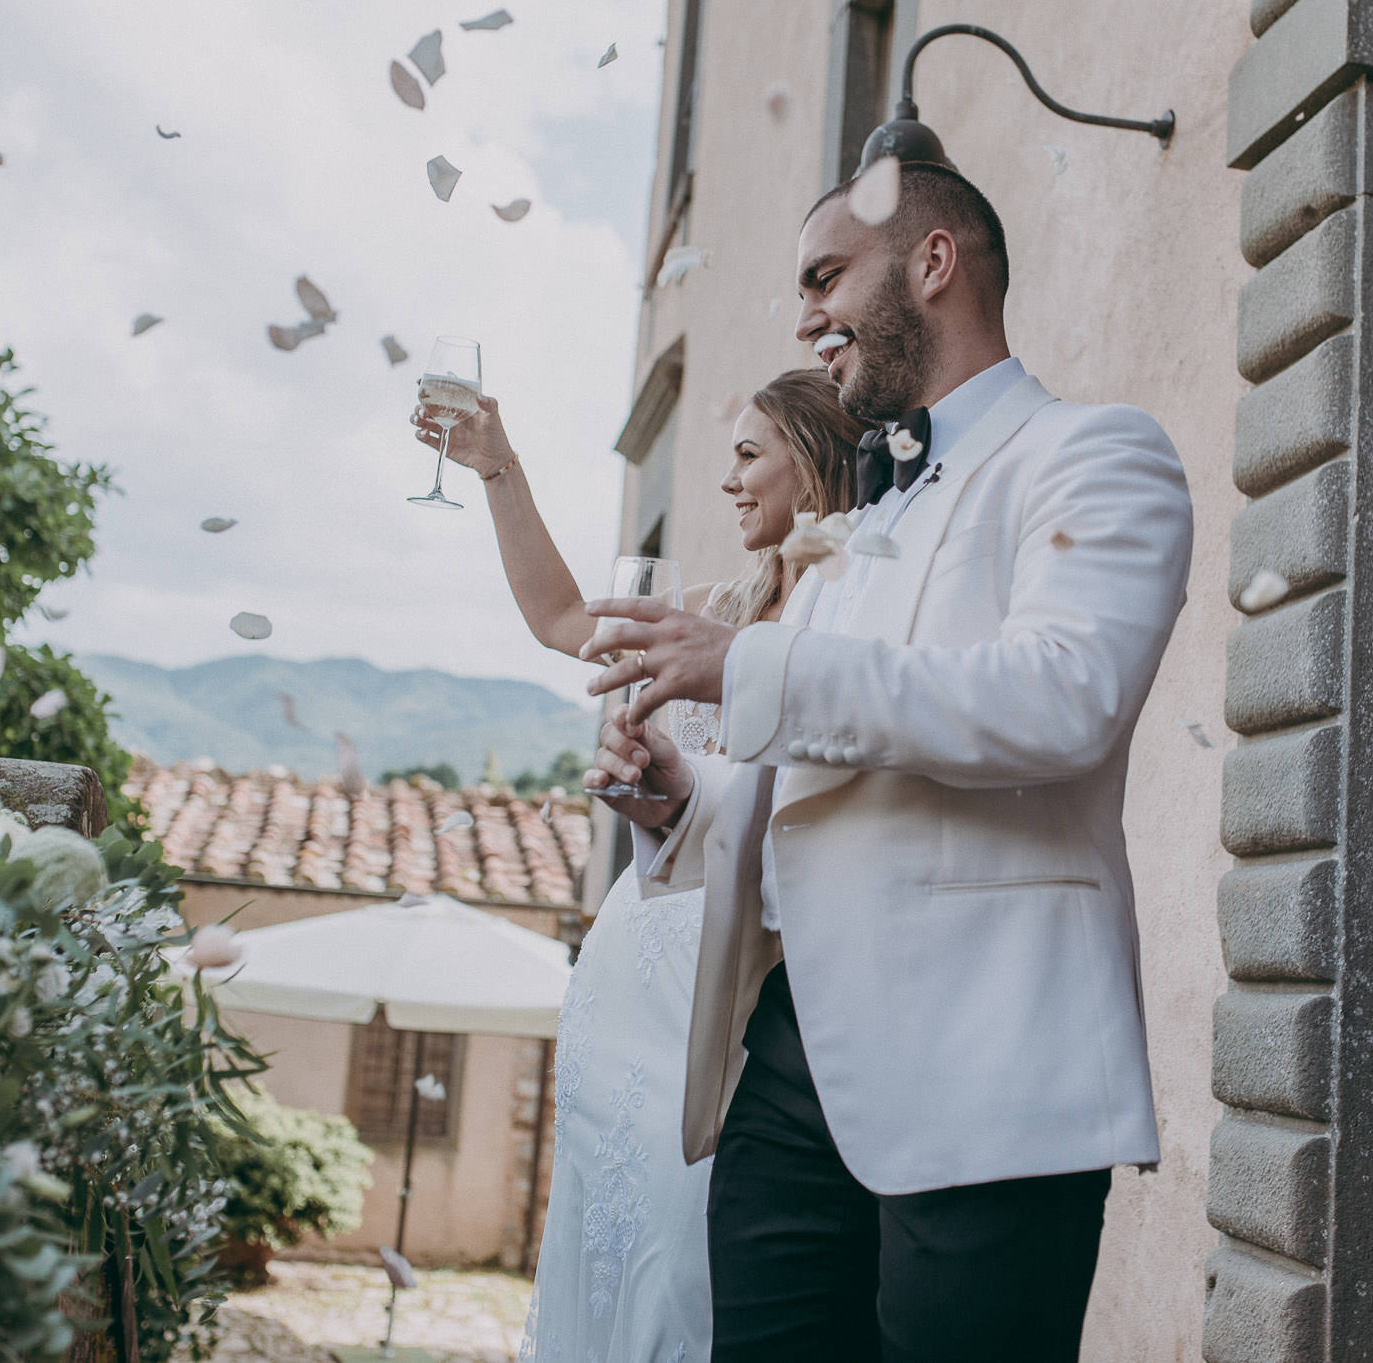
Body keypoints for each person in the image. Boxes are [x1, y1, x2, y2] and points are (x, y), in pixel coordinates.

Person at [582, 162, 1195, 1363]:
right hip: (787, 1066)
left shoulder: (1093, 453)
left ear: (932, 264)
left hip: (988, 1067)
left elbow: (1062, 698)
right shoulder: (859, 530)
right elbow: (814, 789)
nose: (805, 315)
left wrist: (745, 666)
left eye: (825, 277)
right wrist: (681, 802)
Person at [411, 368, 864, 1363]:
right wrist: (499, 470)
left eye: (749, 455)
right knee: (604, 1235)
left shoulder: (858, 618)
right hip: (630, 969)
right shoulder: (713, 605)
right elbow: (566, 621)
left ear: (816, 461)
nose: (729, 482)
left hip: (736, 984)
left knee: (694, 1252)